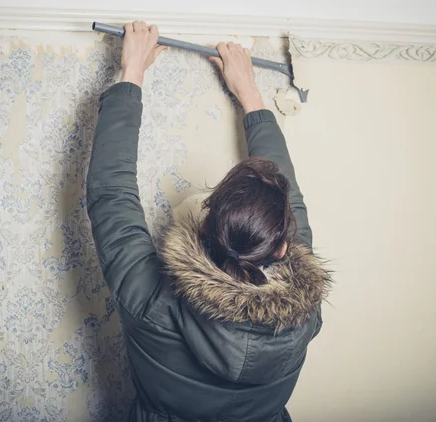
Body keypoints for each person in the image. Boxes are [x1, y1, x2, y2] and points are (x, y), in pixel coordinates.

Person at [87, 21, 331, 422]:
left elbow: (110, 193)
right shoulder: (306, 314)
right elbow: (294, 201)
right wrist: (250, 91)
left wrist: (132, 71)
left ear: (205, 226)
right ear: (284, 245)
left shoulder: (153, 302)